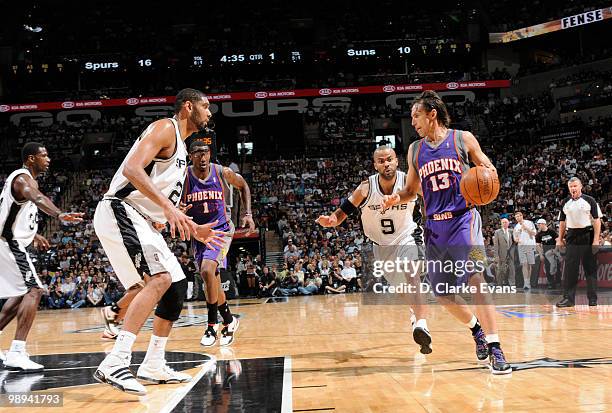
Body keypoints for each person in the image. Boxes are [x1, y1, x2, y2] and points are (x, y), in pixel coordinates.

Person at [92, 88, 225, 395]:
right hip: (120, 209)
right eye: (206, 107)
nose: (210, 113)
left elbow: (163, 212)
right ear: (189, 107)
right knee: (158, 279)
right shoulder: (166, 128)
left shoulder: (181, 153)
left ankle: (153, 363)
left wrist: (193, 227)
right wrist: (167, 208)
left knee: (176, 285)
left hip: (142, 218)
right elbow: (131, 169)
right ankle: (116, 361)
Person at [382, 90, 511, 374]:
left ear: (432, 114)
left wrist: (486, 175)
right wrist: (396, 198)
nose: (413, 121)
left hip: (465, 221)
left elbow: (487, 168)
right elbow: (411, 191)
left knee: (477, 279)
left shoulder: (462, 139)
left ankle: (495, 347)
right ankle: (476, 329)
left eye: (417, 115)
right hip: (434, 227)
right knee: (442, 294)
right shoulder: (415, 149)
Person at [316, 146, 431, 354]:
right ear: (375, 165)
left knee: (411, 271)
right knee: (402, 289)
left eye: (389, 159)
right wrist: (331, 221)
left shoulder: (409, 182)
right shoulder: (366, 188)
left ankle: (422, 323)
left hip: (407, 235)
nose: (386, 164)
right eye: (381, 161)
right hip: (381, 245)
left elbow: (433, 198)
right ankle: (414, 314)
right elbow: (343, 212)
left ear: (397, 161)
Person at [0, 143, 83, 371]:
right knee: (34, 290)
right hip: (9, 243)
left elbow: (12, 213)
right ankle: (17, 351)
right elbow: (35, 196)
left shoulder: (22, 179)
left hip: (10, 241)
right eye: (43, 155)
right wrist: (59, 214)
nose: (48, 159)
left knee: (19, 295)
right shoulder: (22, 179)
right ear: (30, 159)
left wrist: (33, 233)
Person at [183, 140, 255, 347]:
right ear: (191, 157)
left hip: (221, 230)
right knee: (210, 281)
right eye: (197, 153)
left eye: (205, 152)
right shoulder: (185, 177)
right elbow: (174, 203)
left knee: (207, 270)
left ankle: (211, 325)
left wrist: (248, 214)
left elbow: (243, 186)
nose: (202, 156)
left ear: (210, 154)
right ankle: (230, 321)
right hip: (199, 233)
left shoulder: (222, 172)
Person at [556, 177, 602, 307]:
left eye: (575, 186)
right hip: (571, 236)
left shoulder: (590, 200)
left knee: (590, 268)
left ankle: (592, 299)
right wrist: (560, 239)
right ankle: (568, 299)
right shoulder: (565, 202)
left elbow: (597, 221)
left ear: (581, 186)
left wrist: (596, 240)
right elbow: (562, 222)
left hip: (587, 234)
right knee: (570, 269)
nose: (573, 188)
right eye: (571, 186)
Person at [513, 212, 537, 290]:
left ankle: (528, 282)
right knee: (524, 264)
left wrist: (526, 228)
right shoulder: (516, 227)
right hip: (521, 246)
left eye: (518, 216)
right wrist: (516, 240)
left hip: (530, 245)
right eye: (516, 217)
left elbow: (534, 233)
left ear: (521, 216)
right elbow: (515, 238)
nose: (517, 218)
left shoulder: (529, 223)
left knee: (530, 265)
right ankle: (526, 283)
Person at [535, 218, 559, 289]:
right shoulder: (539, 234)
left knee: (556, 267)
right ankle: (551, 283)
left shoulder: (552, 232)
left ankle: (558, 282)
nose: (538, 226)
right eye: (537, 224)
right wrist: (541, 254)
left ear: (543, 224)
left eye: (539, 224)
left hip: (554, 251)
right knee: (548, 268)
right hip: (546, 253)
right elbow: (538, 245)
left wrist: (556, 250)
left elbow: (558, 241)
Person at [493, 218, 515, 286]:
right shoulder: (497, 232)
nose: (505, 223)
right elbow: (496, 245)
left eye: (506, 222)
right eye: (503, 222)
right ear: (501, 224)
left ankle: (512, 283)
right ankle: (499, 283)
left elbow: (514, 242)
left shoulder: (512, 231)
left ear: (508, 223)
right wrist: (496, 255)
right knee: (500, 269)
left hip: (511, 253)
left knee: (512, 269)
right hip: (501, 253)